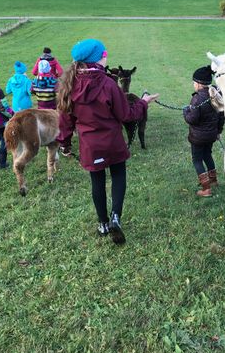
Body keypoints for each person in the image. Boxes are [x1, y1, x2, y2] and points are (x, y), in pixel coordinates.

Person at [57, 39, 159, 244]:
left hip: (90, 147)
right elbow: (127, 114)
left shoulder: (70, 85)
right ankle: (115, 217)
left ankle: (103, 223)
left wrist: (64, 143)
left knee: (97, 182)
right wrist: (143, 103)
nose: (106, 57)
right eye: (105, 54)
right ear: (99, 58)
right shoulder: (108, 84)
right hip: (112, 143)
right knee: (119, 176)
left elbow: (65, 120)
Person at [183, 65, 225, 197]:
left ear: (198, 84)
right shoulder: (215, 95)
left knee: (197, 160)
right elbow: (221, 115)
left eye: (194, 82)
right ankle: (213, 180)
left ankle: (206, 189)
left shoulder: (197, 99)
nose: (193, 84)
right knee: (207, 155)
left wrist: (186, 111)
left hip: (198, 137)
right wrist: (218, 131)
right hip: (211, 135)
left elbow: (192, 119)